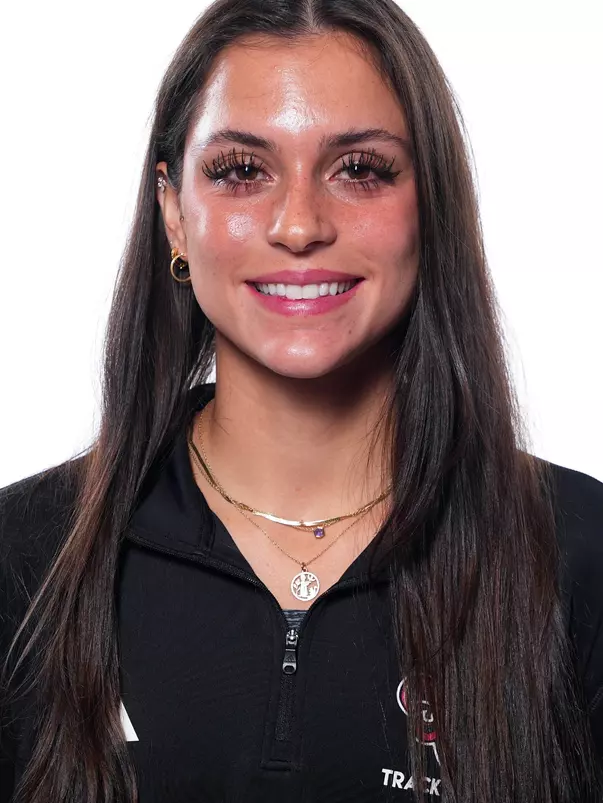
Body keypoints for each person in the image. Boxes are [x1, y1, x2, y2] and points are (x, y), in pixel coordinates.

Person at [1, 1, 602, 801]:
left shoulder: (579, 554)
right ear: (175, 211)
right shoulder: (22, 556)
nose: (297, 225)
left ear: (431, 206)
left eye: (359, 169)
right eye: (242, 170)